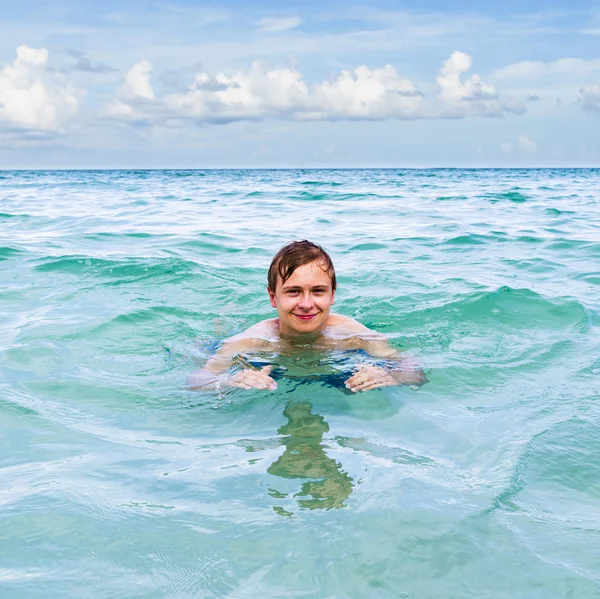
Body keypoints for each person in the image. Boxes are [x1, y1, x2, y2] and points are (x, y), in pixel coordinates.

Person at [188, 240, 427, 392]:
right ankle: (225, 319)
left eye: (318, 291)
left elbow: (414, 371)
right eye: (293, 292)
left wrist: (391, 377)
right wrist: (230, 381)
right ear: (273, 298)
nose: (306, 304)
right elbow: (197, 380)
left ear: (332, 295)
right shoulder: (252, 341)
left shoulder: (355, 336)